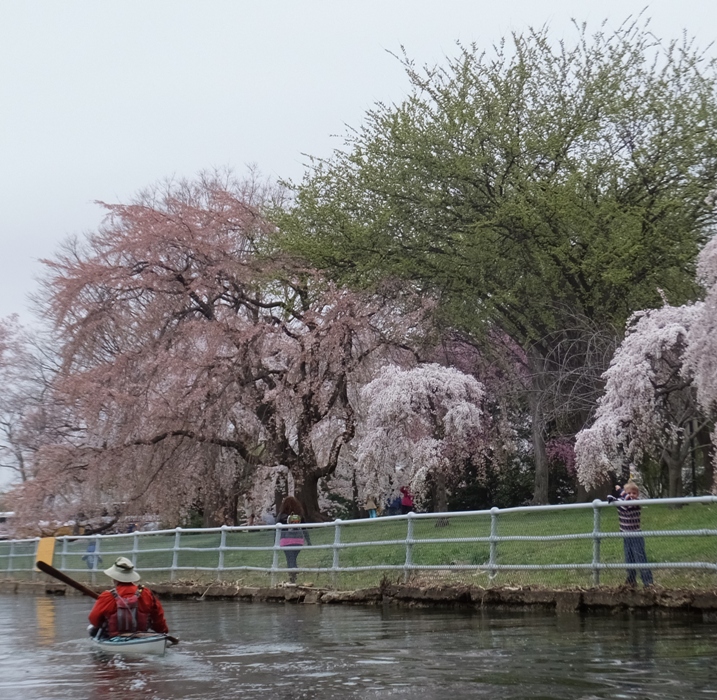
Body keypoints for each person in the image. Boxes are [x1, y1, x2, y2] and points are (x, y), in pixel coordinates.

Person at [88, 556, 169, 639]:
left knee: (91, 629)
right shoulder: (146, 593)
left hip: (114, 639)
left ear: (114, 578)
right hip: (141, 638)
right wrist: (163, 632)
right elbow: (158, 619)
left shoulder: (106, 596)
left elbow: (94, 619)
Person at [607, 481, 654, 588]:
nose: (632, 495)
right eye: (630, 492)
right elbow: (616, 500)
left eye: (634, 493)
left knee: (640, 559)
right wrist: (611, 497)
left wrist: (620, 490)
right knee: (629, 559)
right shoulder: (622, 502)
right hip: (626, 536)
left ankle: (648, 582)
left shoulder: (635, 503)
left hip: (636, 535)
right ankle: (631, 581)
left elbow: (628, 500)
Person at [277, 496, 311, 584]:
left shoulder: (281, 515)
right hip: (298, 541)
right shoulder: (299, 515)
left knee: (290, 559)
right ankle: (294, 574)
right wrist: (308, 541)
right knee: (293, 558)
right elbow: (304, 528)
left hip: (286, 541)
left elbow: (277, 528)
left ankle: (292, 578)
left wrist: (275, 541)